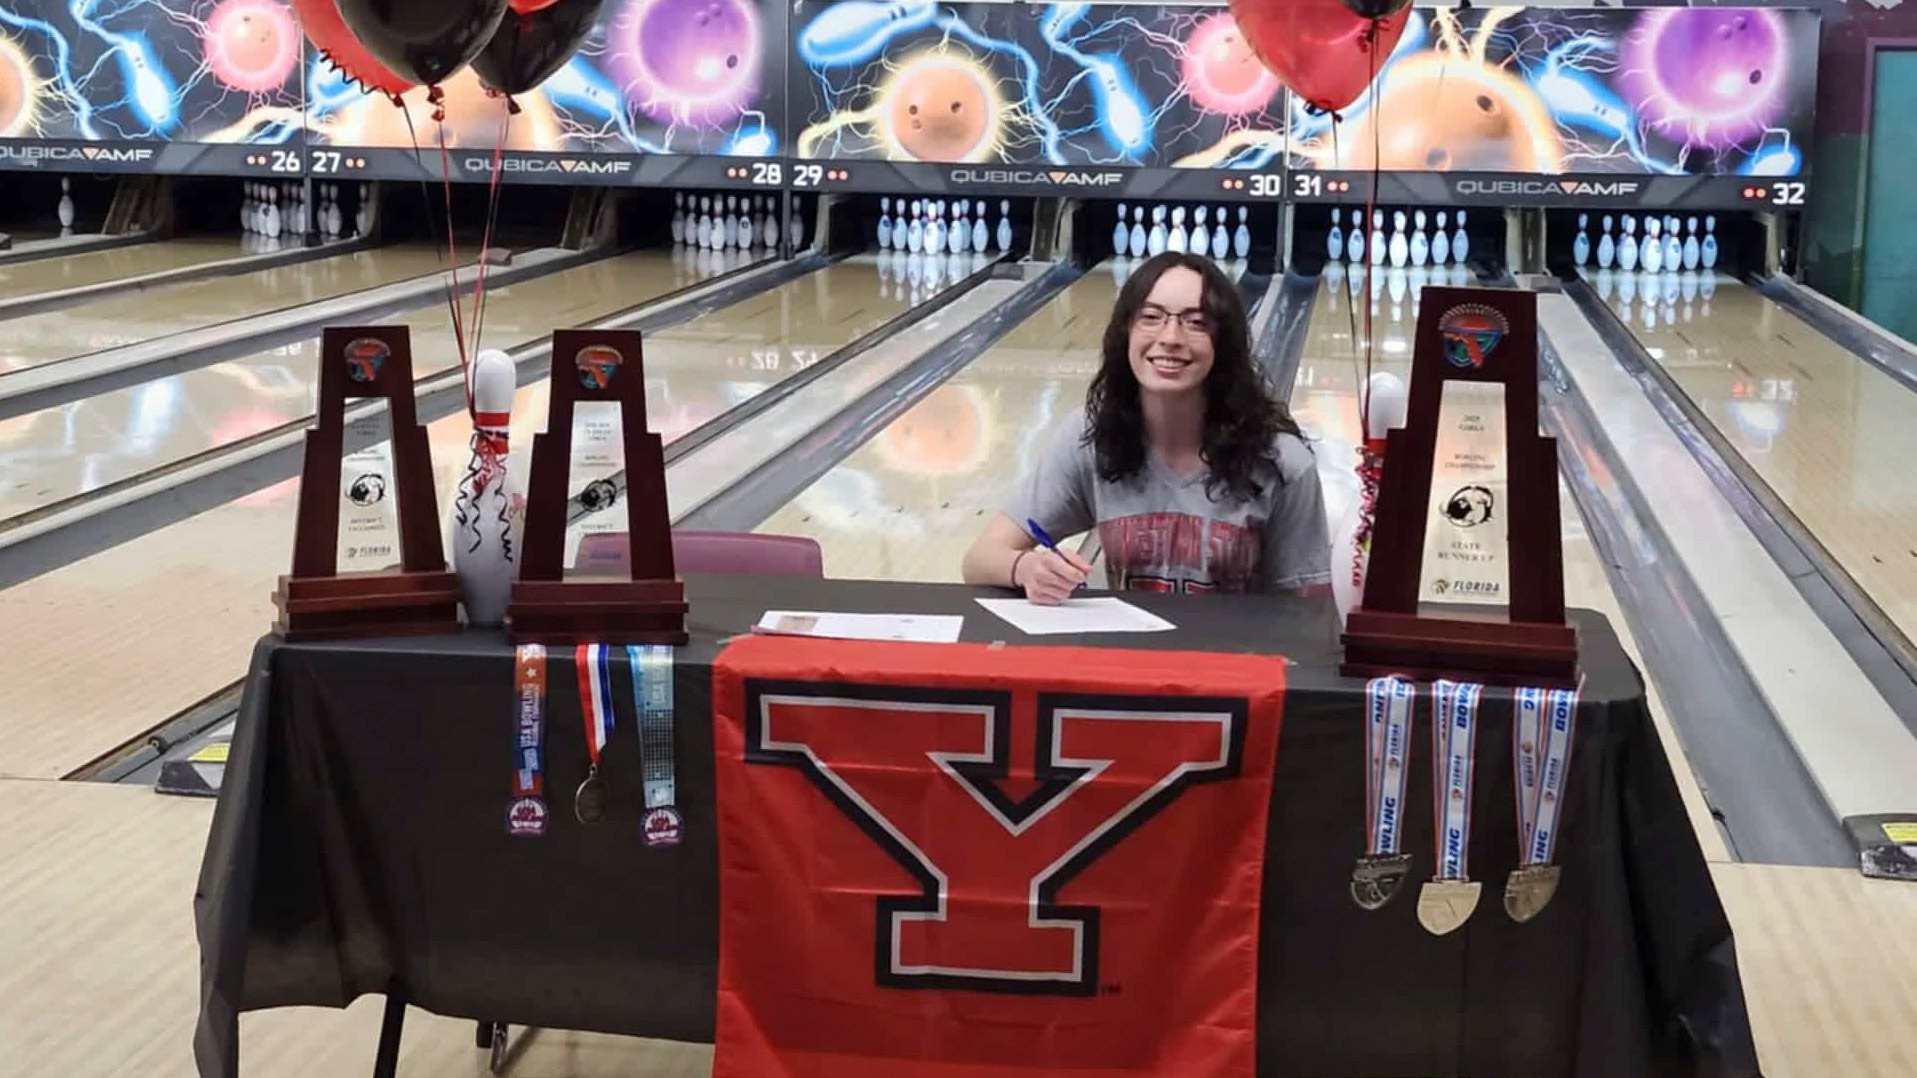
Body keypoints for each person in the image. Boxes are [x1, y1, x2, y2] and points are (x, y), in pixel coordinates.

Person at [961, 251, 1332, 604]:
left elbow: (1309, 616)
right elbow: (979, 558)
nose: (1170, 338)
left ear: (1225, 342)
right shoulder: (1092, 437)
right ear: (1126, 332)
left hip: (1237, 664)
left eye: (1196, 322)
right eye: (1151, 317)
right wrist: (1026, 568)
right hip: (1129, 663)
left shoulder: (1281, 462)